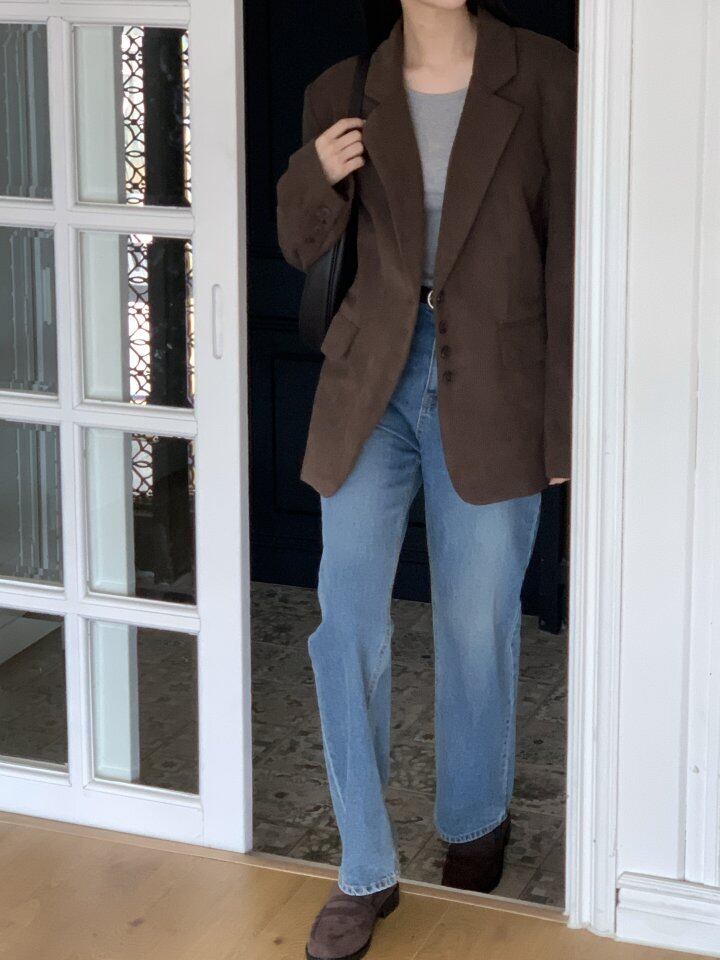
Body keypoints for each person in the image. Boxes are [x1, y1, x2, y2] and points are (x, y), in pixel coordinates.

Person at [276, 1, 577, 957]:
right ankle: (363, 869)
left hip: (497, 379)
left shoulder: (547, 77)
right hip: (372, 380)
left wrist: (565, 425)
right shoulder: (342, 89)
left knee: (475, 619)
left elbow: (572, 257)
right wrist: (316, 173)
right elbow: (301, 243)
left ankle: (474, 818)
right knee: (346, 622)